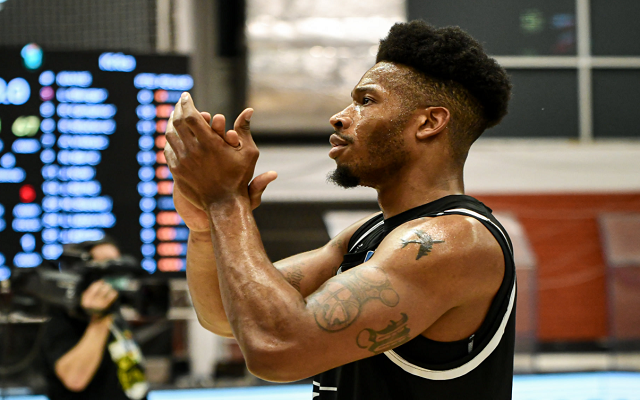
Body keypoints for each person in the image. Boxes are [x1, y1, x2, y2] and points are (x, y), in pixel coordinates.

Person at [164, 20, 515, 399]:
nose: (340, 116)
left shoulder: (454, 242)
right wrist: (205, 227)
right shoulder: (367, 234)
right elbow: (224, 313)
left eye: (366, 101)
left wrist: (226, 202)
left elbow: (277, 349)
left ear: (429, 122)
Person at [40, 238, 148, 400]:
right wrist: (99, 319)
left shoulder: (115, 311)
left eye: (117, 263)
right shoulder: (62, 316)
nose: (114, 272)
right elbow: (75, 379)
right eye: (104, 265)